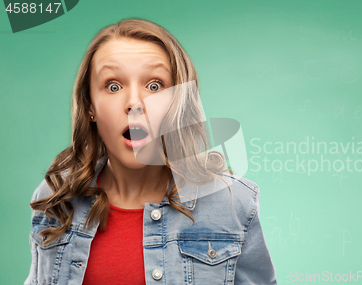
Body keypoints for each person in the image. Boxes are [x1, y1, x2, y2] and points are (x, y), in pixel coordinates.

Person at [24, 18, 277, 285]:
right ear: (90, 107)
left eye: (155, 86)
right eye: (113, 86)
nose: (135, 102)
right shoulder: (55, 196)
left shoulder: (233, 201)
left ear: (178, 103)